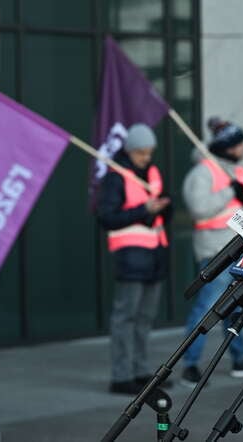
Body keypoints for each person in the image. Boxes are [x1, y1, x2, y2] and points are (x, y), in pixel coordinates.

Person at [181, 116, 243, 387]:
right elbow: (198, 207)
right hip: (216, 250)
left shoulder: (241, 172)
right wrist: (228, 192)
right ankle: (189, 365)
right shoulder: (203, 172)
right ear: (229, 146)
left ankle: (240, 357)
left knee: (235, 306)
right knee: (207, 308)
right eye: (240, 143)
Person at [96, 123, 172, 395]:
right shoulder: (116, 177)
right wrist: (144, 210)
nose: (146, 158)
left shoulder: (151, 173)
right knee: (125, 318)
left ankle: (141, 372)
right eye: (141, 153)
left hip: (154, 255)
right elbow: (107, 217)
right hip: (130, 257)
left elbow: (161, 214)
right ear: (129, 151)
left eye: (149, 152)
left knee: (144, 318)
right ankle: (121, 376)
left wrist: (163, 207)